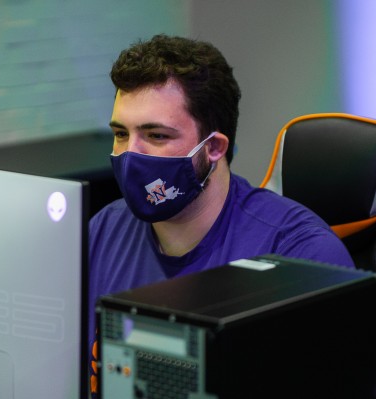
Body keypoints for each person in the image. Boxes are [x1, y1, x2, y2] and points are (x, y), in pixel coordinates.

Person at [87, 34, 354, 395]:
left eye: (156, 135)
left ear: (213, 147)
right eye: (121, 133)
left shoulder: (303, 258)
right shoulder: (103, 231)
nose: (130, 155)